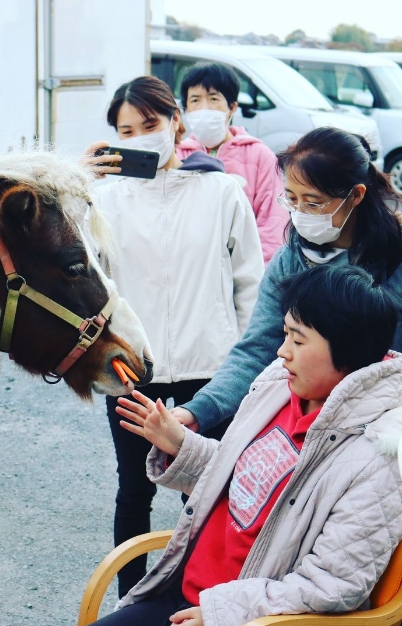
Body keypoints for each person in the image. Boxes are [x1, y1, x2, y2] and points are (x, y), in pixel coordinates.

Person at [83, 264, 402, 626]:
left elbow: (333, 585)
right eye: (285, 335)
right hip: (185, 594)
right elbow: (248, 483)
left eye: (298, 341)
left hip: (250, 620)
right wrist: (180, 444)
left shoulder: (378, 454)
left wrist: (223, 614)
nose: (282, 352)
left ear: (348, 350)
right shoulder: (280, 387)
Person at [84, 75, 265, 597]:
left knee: (207, 494)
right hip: (132, 372)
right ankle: (128, 604)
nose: (140, 135)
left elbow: (249, 284)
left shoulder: (221, 189)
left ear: (175, 124)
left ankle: (206, 599)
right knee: (133, 492)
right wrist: (81, 177)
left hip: (211, 374)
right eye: (126, 129)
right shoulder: (105, 201)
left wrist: (248, 370)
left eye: (150, 124)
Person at [172, 126, 402, 437]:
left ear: (356, 195)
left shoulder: (395, 258)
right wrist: (199, 408)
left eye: (314, 202)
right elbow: (258, 347)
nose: (301, 213)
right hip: (305, 423)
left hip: (383, 426)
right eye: (292, 200)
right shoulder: (289, 260)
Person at [176, 62, 286, 264]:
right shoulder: (176, 154)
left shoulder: (260, 156)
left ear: (232, 107)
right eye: (195, 100)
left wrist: (252, 274)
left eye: (214, 99)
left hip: (244, 268)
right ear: (185, 109)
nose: (204, 108)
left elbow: (272, 223)